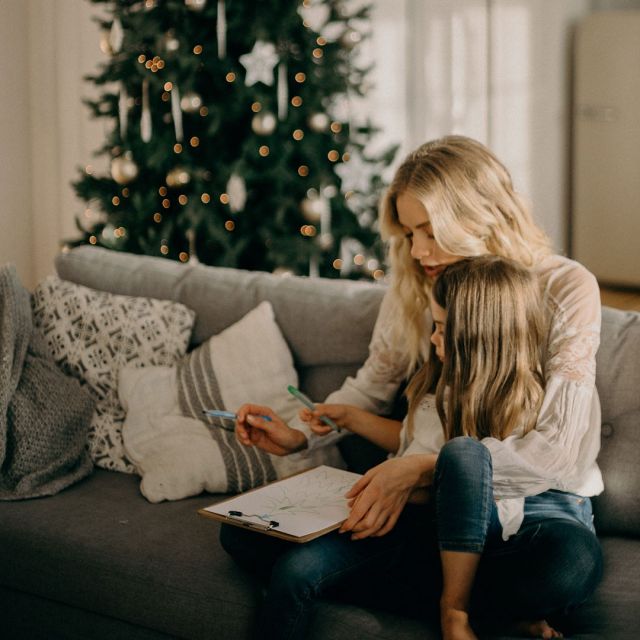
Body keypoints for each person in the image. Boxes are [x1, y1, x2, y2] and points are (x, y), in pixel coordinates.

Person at [221, 136, 604, 638]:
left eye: (430, 231)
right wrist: (301, 434)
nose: (419, 251)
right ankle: (482, 603)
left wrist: (425, 471)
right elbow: (371, 387)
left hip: (537, 505)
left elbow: (556, 453)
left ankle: (457, 595)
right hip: (428, 513)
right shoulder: (420, 284)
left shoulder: (565, 287)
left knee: (566, 567)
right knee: (245, 536)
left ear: (481, 214)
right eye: (408, 234)